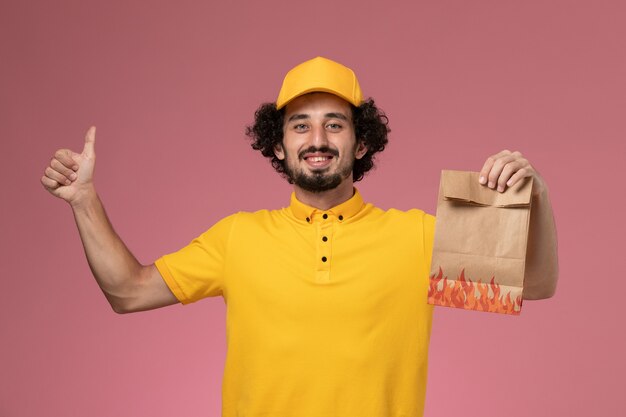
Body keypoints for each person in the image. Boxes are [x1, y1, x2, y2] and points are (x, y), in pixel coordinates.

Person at [41, 57, 558, 417]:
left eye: (335, 125)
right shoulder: (238, 237)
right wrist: (85, 200)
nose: (317, 140)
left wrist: (537, 196)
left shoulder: (418, 236)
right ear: (280, 145)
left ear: (360, 144)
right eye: (300, 126)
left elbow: (536, 284)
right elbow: (127, 291)